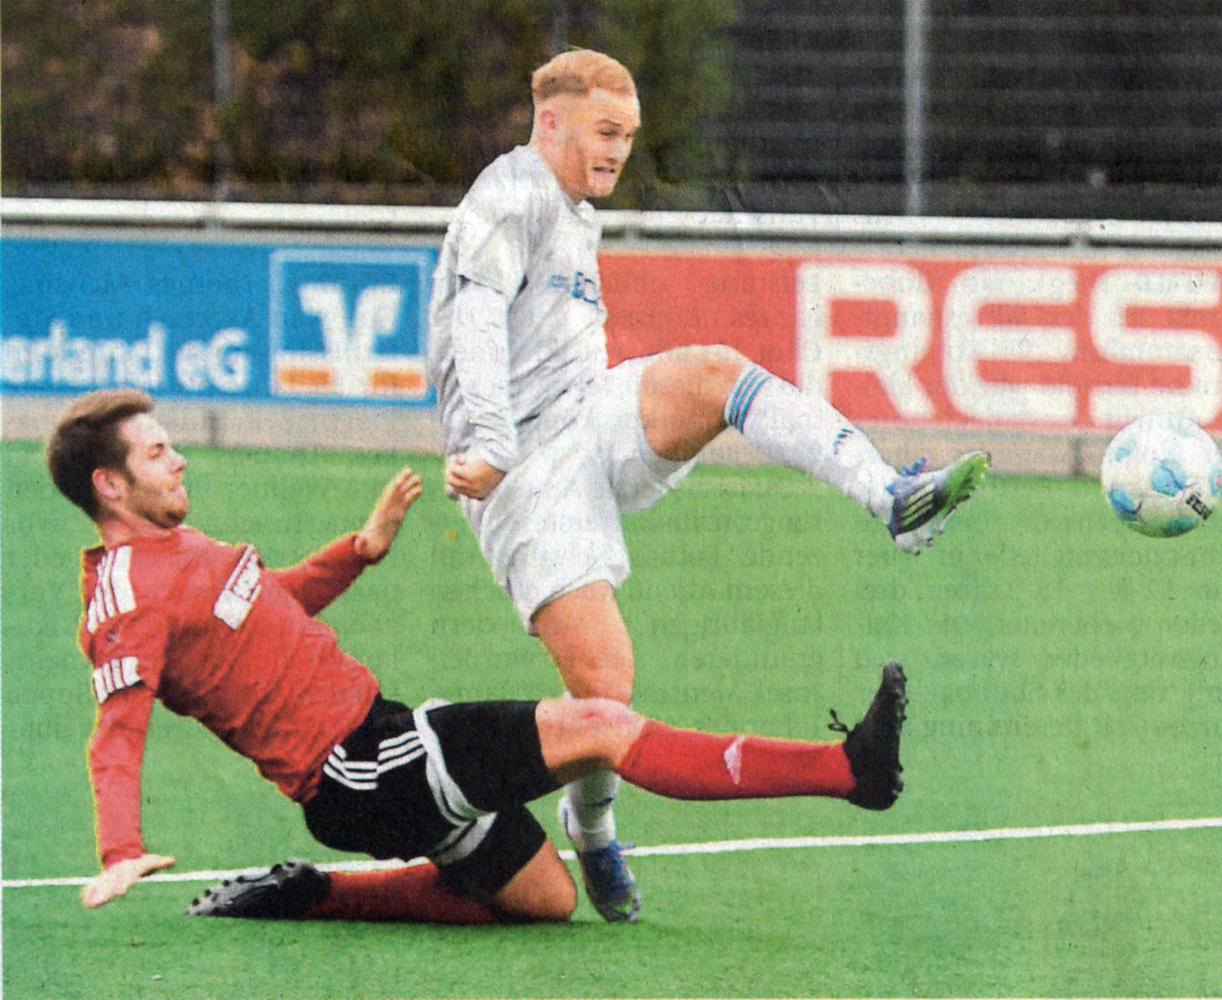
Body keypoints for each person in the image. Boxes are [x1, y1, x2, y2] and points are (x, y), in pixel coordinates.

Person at [426, 47, 986, 919]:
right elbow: (475, 318)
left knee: (720, 374)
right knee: (606, 693)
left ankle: (890, 497)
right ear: (551, 123)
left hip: (588, 415)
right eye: (605, 133)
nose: (618, 151)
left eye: (629, 136)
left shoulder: (574, 208)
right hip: (522, 473)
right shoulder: (507, 197)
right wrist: (492, 442)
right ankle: (595, 831)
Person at [49, 388, 907, 923]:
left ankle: (309, 892)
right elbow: (114, 735)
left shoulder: (176, 551)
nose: (178, 456)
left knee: (545, 900)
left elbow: (262, 603)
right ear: (110, 486)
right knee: (601, 725)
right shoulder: (125, 597)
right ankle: (847, 770)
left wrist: (360, 548)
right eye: (157, 452)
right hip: (356, 767)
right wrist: (119, 847)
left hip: (376, 745)